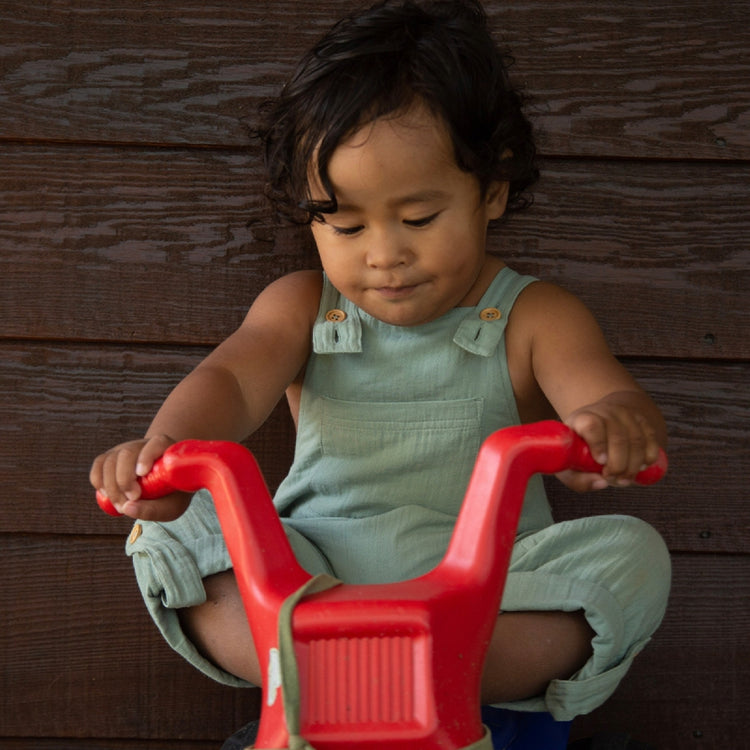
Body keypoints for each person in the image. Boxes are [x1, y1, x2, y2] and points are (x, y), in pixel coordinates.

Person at [90, 0, 670, 741]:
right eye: (347, 223)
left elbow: (605, 392)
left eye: (418, 219)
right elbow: (232, 383)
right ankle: (328, 659)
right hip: (305, 583)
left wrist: (612, 429)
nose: (383, 253)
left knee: (633, 558)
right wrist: (166, 453)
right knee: (169, 533)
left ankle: (365, 674)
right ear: (309, 216)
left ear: (491, 191)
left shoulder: (532, 316)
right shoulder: (302, 307)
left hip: (487, 595)